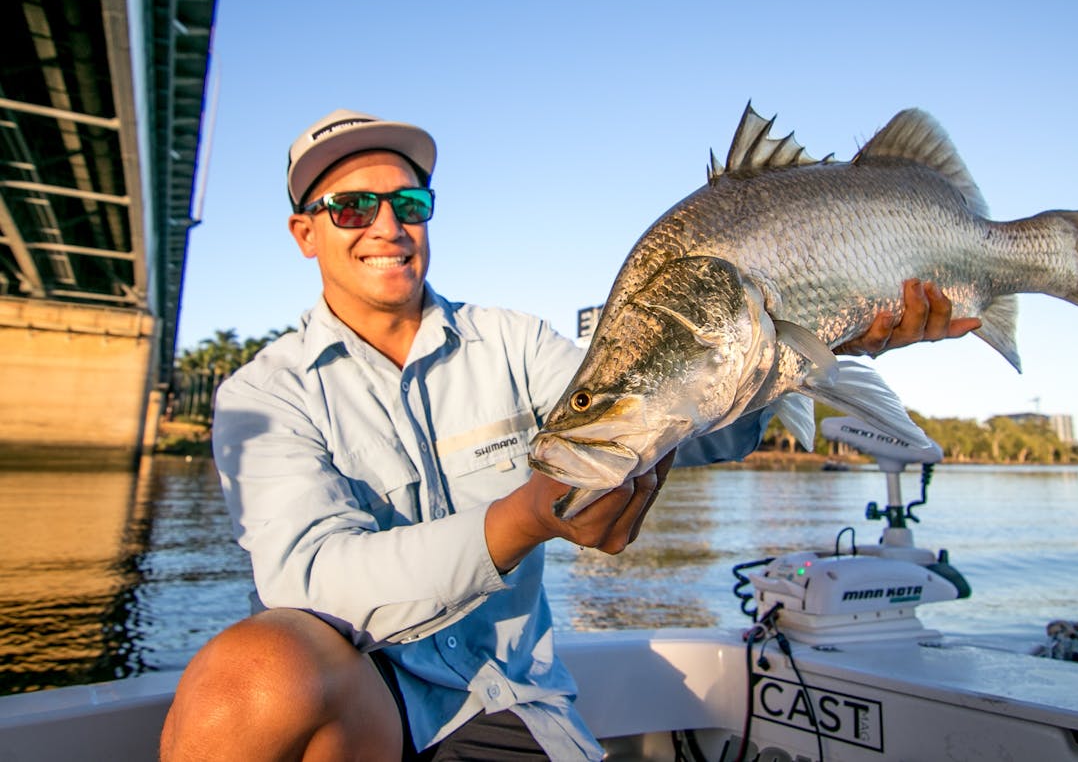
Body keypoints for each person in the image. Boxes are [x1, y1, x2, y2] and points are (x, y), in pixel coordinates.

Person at [159, 109, 980, 761]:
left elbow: (672, 429)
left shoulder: (513, 342)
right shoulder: (261, 393)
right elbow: (309, 577)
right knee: (253, 669)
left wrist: (797, 352)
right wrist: (520, 520)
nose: (386, 224)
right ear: (305, 233)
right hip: (366, 701)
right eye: (349, 206)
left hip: (508, 698)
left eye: (408, 203)